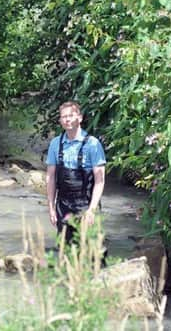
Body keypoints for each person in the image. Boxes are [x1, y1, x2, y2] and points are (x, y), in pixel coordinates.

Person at [46, 101, 106, 244]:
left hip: (85, 203)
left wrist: (92, 209)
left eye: (70, 116)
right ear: (60, 121)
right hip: (63, 205)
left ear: (80, 118)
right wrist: (51, 208)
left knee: (93, 251)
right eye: (63, 117)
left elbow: (100, 180)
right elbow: (50, 178)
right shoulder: (55, 144)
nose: (67, 119)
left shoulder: (92, 144)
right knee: (66, 250)